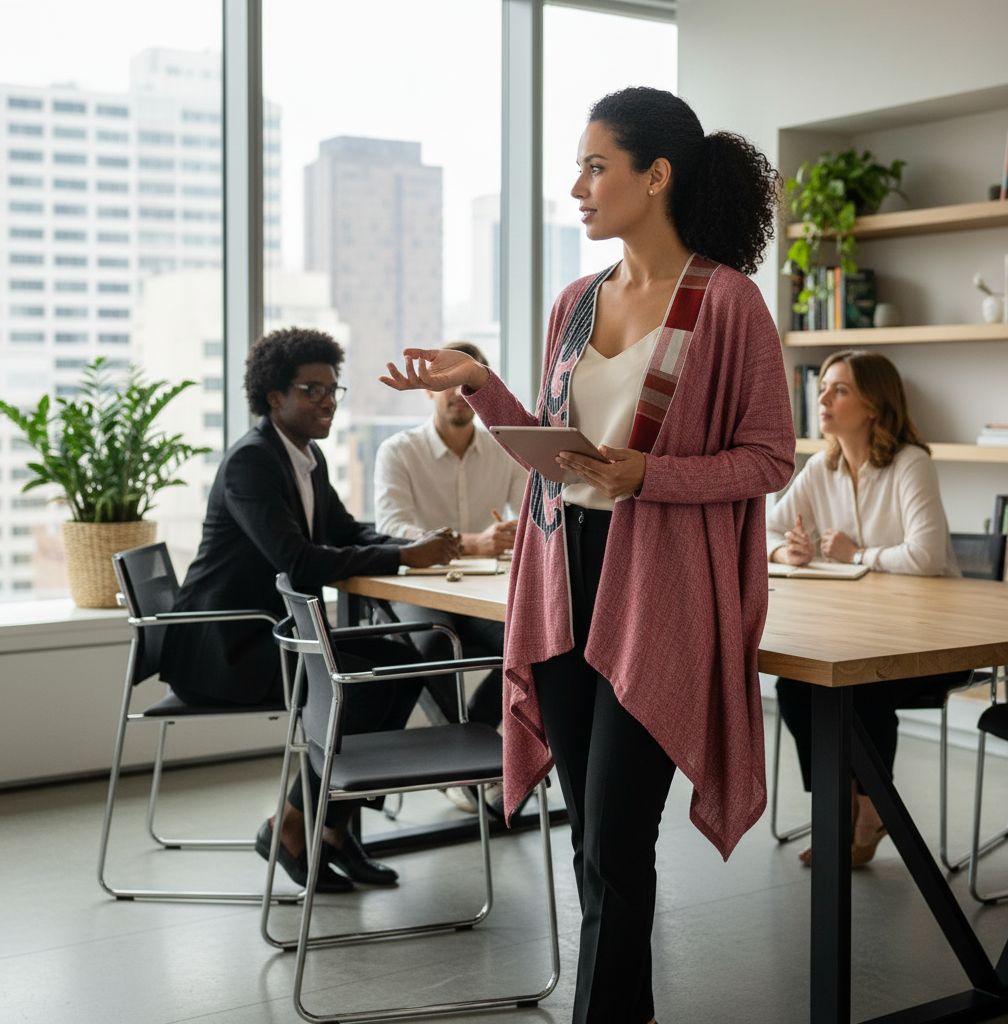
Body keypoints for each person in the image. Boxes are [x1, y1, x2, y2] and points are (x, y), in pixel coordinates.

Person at [381, 87, 794, 1024]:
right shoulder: (576, 301)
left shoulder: (729, 304)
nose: (577, 185)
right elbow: (553, 446)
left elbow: (770, 457)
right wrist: (481, 385)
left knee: (614, 833)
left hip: (662, 593)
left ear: (657, 177)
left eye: (595, 165)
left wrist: (652, 472)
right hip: (562, 576)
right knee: (591, 840)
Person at [159, 326, 460, 893]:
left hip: (272, 634)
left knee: (393, 664)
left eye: (332, 390)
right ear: (275, 397)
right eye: (312, 390)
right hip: (227, 647)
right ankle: (294, 825)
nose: (326, 401)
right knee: (361, 681)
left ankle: (334, 826)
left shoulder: (305, 455)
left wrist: (413, 543)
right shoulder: (251, 463)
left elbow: (342, 531)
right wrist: (401, 555)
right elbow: (295, 561)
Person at [769, 349, 966, 867]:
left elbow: (926, 556)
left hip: (934, 641)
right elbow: (764, 527)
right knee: (795, 685)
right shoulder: (821, 467)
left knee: (861, 686)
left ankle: (867, 814)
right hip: (858, 631)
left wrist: (856, 553)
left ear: (874, 405)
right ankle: (847, 808)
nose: (824, 399)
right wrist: (784, 550)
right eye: (823, 389)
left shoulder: (910, 463)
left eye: (840, 390)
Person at [374, 340, 527, 730]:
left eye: (468, 382)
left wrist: (519, 529)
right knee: (434, 645)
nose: (461, 394)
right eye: (448, 381)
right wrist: (472, 542)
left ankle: (472, 744)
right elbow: (392, 530)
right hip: (419, 587)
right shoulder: (398, 451)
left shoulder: (505, 448)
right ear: (428, 389)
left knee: (531, 643)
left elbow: (532, 510)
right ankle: (468, 768)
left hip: (480, 590)